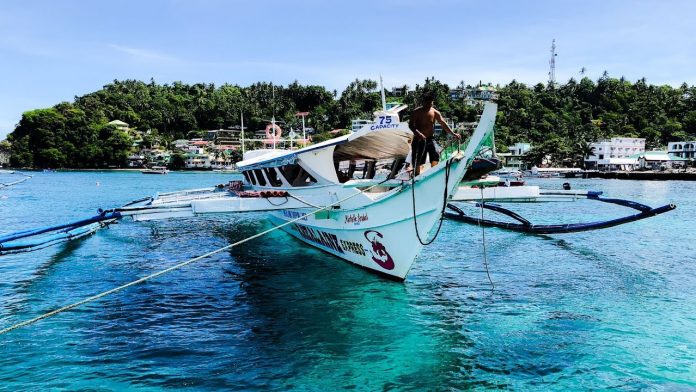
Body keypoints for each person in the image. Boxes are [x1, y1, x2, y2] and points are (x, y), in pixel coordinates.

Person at [408, 92, 461, 176]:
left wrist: (453, 133)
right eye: (427, 102)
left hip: (430, 138)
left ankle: (433, 174)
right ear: (423, 102)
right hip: (419, 139)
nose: (429, 104)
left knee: (435, 154)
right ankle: (416, 175)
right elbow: (411, 125)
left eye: (431, 103)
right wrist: (419, 134)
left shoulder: (435, 112)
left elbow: (443, 123)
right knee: (418, 160)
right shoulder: (416, 112)